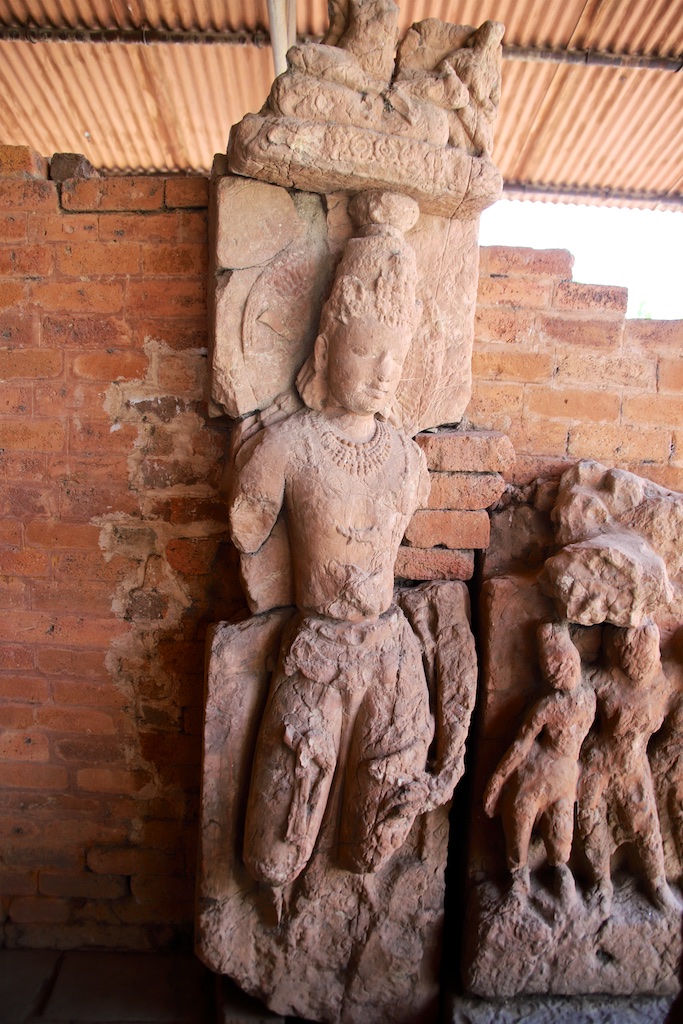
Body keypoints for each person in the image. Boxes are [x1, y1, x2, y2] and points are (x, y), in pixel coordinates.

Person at [230, 192, 436, 887]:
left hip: (390, 658)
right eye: (365, 350)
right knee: (272, 855)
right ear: (324, 350)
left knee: (371, 846)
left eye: (395, 356)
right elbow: (247, 531)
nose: (382, 371)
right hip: (315, 654)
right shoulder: (286, 446)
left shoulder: (408, 459)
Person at [484, 621, 596, 901]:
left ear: (575, 658)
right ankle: (518, 872)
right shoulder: (547, 707)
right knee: (520, 814)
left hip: (566, 776)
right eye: (551, 669)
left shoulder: (590, 697)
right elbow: (521, 744)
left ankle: (561, 870)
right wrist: (497, 781)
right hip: (537, 770)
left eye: (564, 664)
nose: (558, 673)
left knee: (561, 835)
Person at [578, 619, 679, 913]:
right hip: (599, 761)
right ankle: (601, 883)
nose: (636, 662)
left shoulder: (662, 686)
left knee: (647, 826)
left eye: (643, 654)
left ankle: (658, 883)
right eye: (629, 654)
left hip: (633, 766)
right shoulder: (607, 682)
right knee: (590, 821)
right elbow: (572, 679)